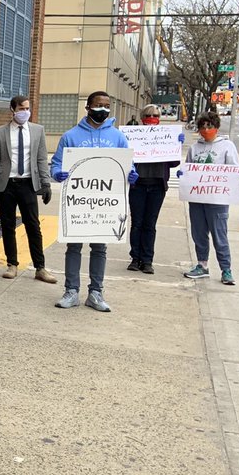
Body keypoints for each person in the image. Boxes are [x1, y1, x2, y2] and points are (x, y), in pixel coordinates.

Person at [50, 91, 136, 312]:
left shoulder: (117, 137)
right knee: (74, 246)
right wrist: (57, 173)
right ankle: (71, 291)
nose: (103, 109)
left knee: (100, 248)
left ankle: (96, 293)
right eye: (99, 105)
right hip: (79, 201)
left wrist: (131, 174)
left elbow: (128, 164)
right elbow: (56, 164)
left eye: (107, 105)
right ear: (88, 107)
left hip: (106, 202)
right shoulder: (70, 136)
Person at [0, 95, 56, 283]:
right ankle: (12, 264)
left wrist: (46, 182)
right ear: (13, 110)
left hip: (27, 184)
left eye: (27, 108)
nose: (25, 112)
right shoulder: (0, 132)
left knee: (33, 225)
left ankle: (40, 268)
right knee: (7, 225)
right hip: (6, 184)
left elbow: (41, 158)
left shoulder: (37, 130)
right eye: (21, 109)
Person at [180, 113, 239, 286]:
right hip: (197, 198)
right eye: (203, 127)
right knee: (199, 234)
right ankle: (202, 265)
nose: (206, 130)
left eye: (209, 126)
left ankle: (226, 269)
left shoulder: (227, 146)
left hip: (217, 200)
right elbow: (189, 167)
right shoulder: (195, 148)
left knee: (220, 235)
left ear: (216, 127)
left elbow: (233, 169)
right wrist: (183, 174)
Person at [127, 104, 183, 275]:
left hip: (157, 186)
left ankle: (147, 260)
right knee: (137, 223)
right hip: (138, 185)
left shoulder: (166, 136)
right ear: (143, 117)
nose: (152, 118)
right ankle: (135, 258)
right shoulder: (134, 135)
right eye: (149, 115)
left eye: (156, 115)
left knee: (150, 224)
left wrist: (176, 145)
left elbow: (174, 163)